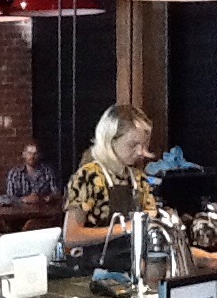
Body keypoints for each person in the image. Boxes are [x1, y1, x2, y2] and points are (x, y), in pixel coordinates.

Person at [63, 104, 156, 270]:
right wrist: (125, 228)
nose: (140, 152)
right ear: (110, 140)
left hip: (131, 265)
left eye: (143, 145)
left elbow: (150, 217)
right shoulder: (89, 176)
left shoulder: (138, 179)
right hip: (93, 270)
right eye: (133, 145)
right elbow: (71, 236)